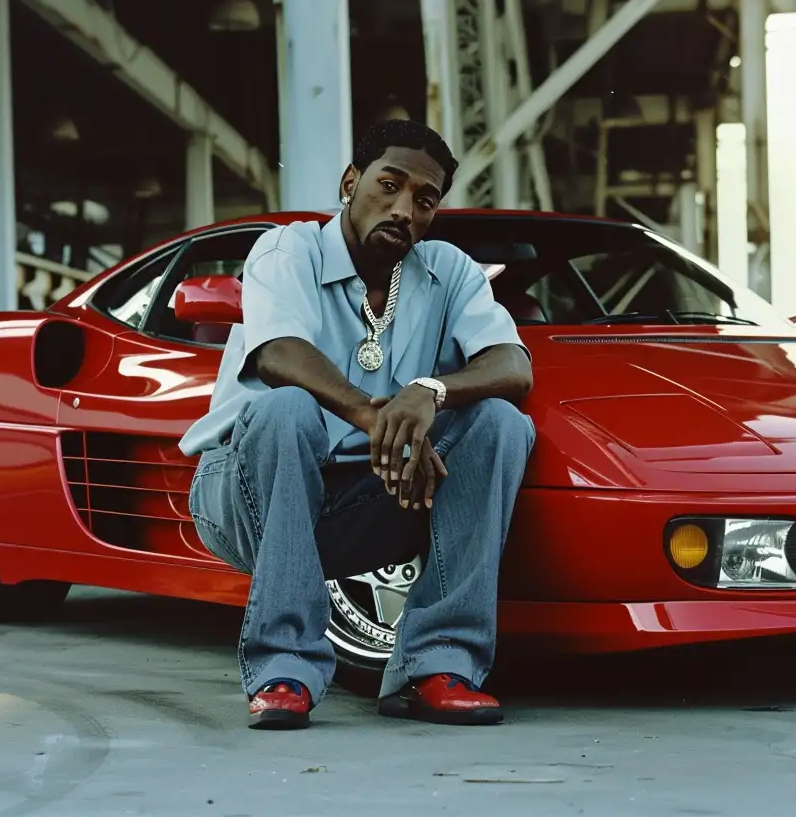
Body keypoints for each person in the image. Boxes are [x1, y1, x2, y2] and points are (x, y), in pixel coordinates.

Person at [182, 119, 535, 729]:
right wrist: (376, 415)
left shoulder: (446, 271)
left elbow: (512, 364)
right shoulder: (289, 248)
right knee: (286, 406)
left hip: (367, 499)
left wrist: (430, 390)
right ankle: (284, 670)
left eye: (424, 200)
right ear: (351, 181)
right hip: (247, 495)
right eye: (389, 185)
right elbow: (277, 354)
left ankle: (438, 666)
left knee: (501, 423)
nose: (404, 209)